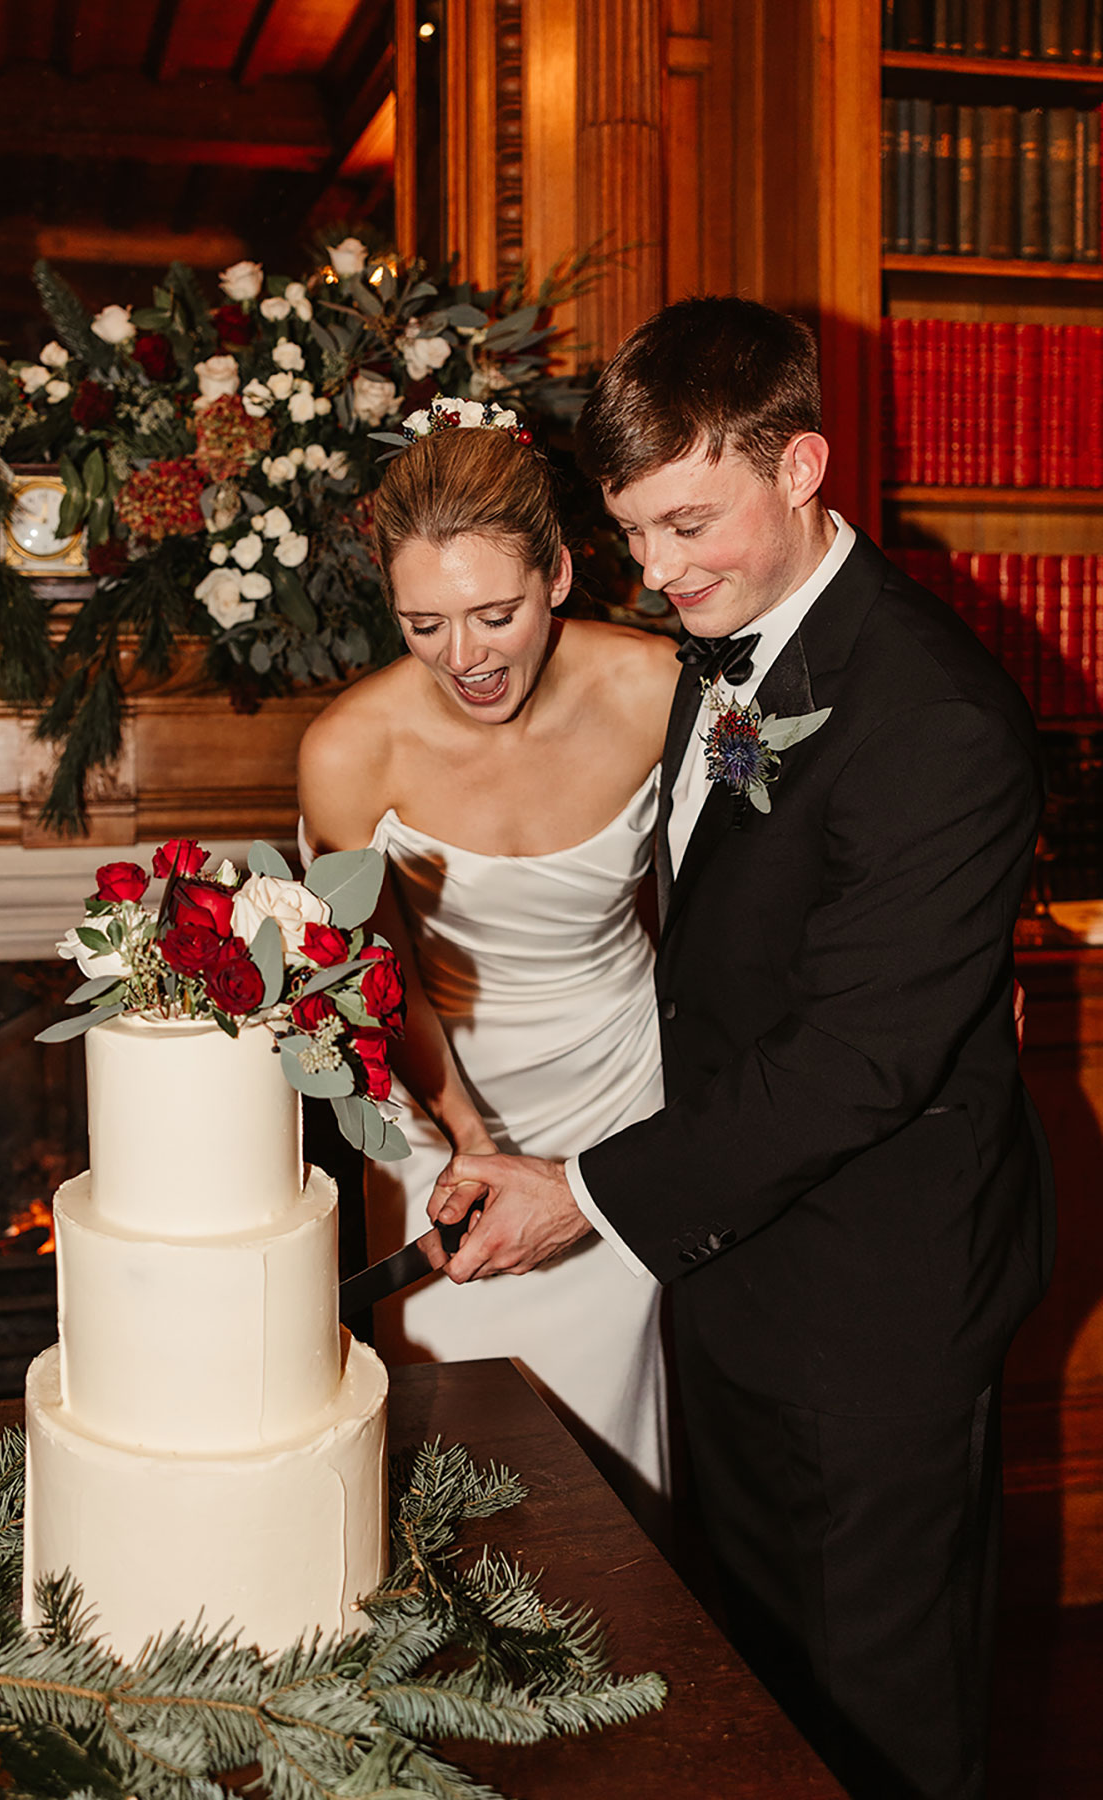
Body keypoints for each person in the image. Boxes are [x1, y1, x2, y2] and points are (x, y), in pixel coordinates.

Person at [427, 297, 1054, 1800]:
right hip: (734, 1264)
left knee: (877, 1723)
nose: (658, 572)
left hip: (872, 1309)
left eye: (692, 523)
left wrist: (580, 1190)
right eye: (636, 534)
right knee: (768, 1699)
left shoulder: (940, 720)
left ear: (805, 466)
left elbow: (854, 1062)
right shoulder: (726, 652)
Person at [296, 412, 679, 1521]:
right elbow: (376, 980)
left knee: (621, 1478)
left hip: (623, 1094)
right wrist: (468, 1136)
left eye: (494, 614)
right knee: (460, 1472)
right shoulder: (347, 749)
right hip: (436, 1109)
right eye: (424, 623)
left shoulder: (657, 690)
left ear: (558, 573)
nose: (464, 657)